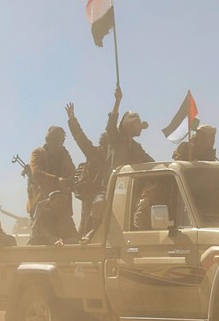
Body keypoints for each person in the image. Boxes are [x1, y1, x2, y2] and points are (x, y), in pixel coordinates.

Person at [65, 102, 110, 238]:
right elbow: (80, 138)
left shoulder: (117, 157)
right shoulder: (94, 153)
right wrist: (72, 120)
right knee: (86, 225)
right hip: (91, 195)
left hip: (108, 194)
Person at [27, 126, 75, 213]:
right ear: (50, 139)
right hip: (43, 206)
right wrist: (57, 180)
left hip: (62, 206)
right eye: (58, 139)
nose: (60, 142)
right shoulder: (39, 153)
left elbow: (72, 172)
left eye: (62, 139)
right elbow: (36, 173)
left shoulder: (64, 155)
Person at [106, 87, 153, 171]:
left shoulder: (136, 147)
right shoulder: (115, 138)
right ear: (129, 125)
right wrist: (117, 101)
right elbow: (111, 124)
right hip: (115, 181)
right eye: (137, 124)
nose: (140, 128)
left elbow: (151, 163)